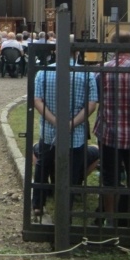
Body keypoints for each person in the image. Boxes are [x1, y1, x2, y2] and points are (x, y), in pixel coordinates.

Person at [94, 31, 130, 228]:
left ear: (112, 46)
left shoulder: (102, 71)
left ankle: (110, 219)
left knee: (109, 178)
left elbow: (98, 97)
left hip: (109, 130)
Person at [32, 51, 99, 222]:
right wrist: (71, 124)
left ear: (55, 51)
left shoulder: (43, 72)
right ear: (76, 53)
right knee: (72, 171)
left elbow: (37, 100)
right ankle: (65, 211)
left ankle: (38, 204)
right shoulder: (86, 73)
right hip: (75, 133)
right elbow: (91, 104)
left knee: (43, 164)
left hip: (49, 130)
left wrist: (55, 121)